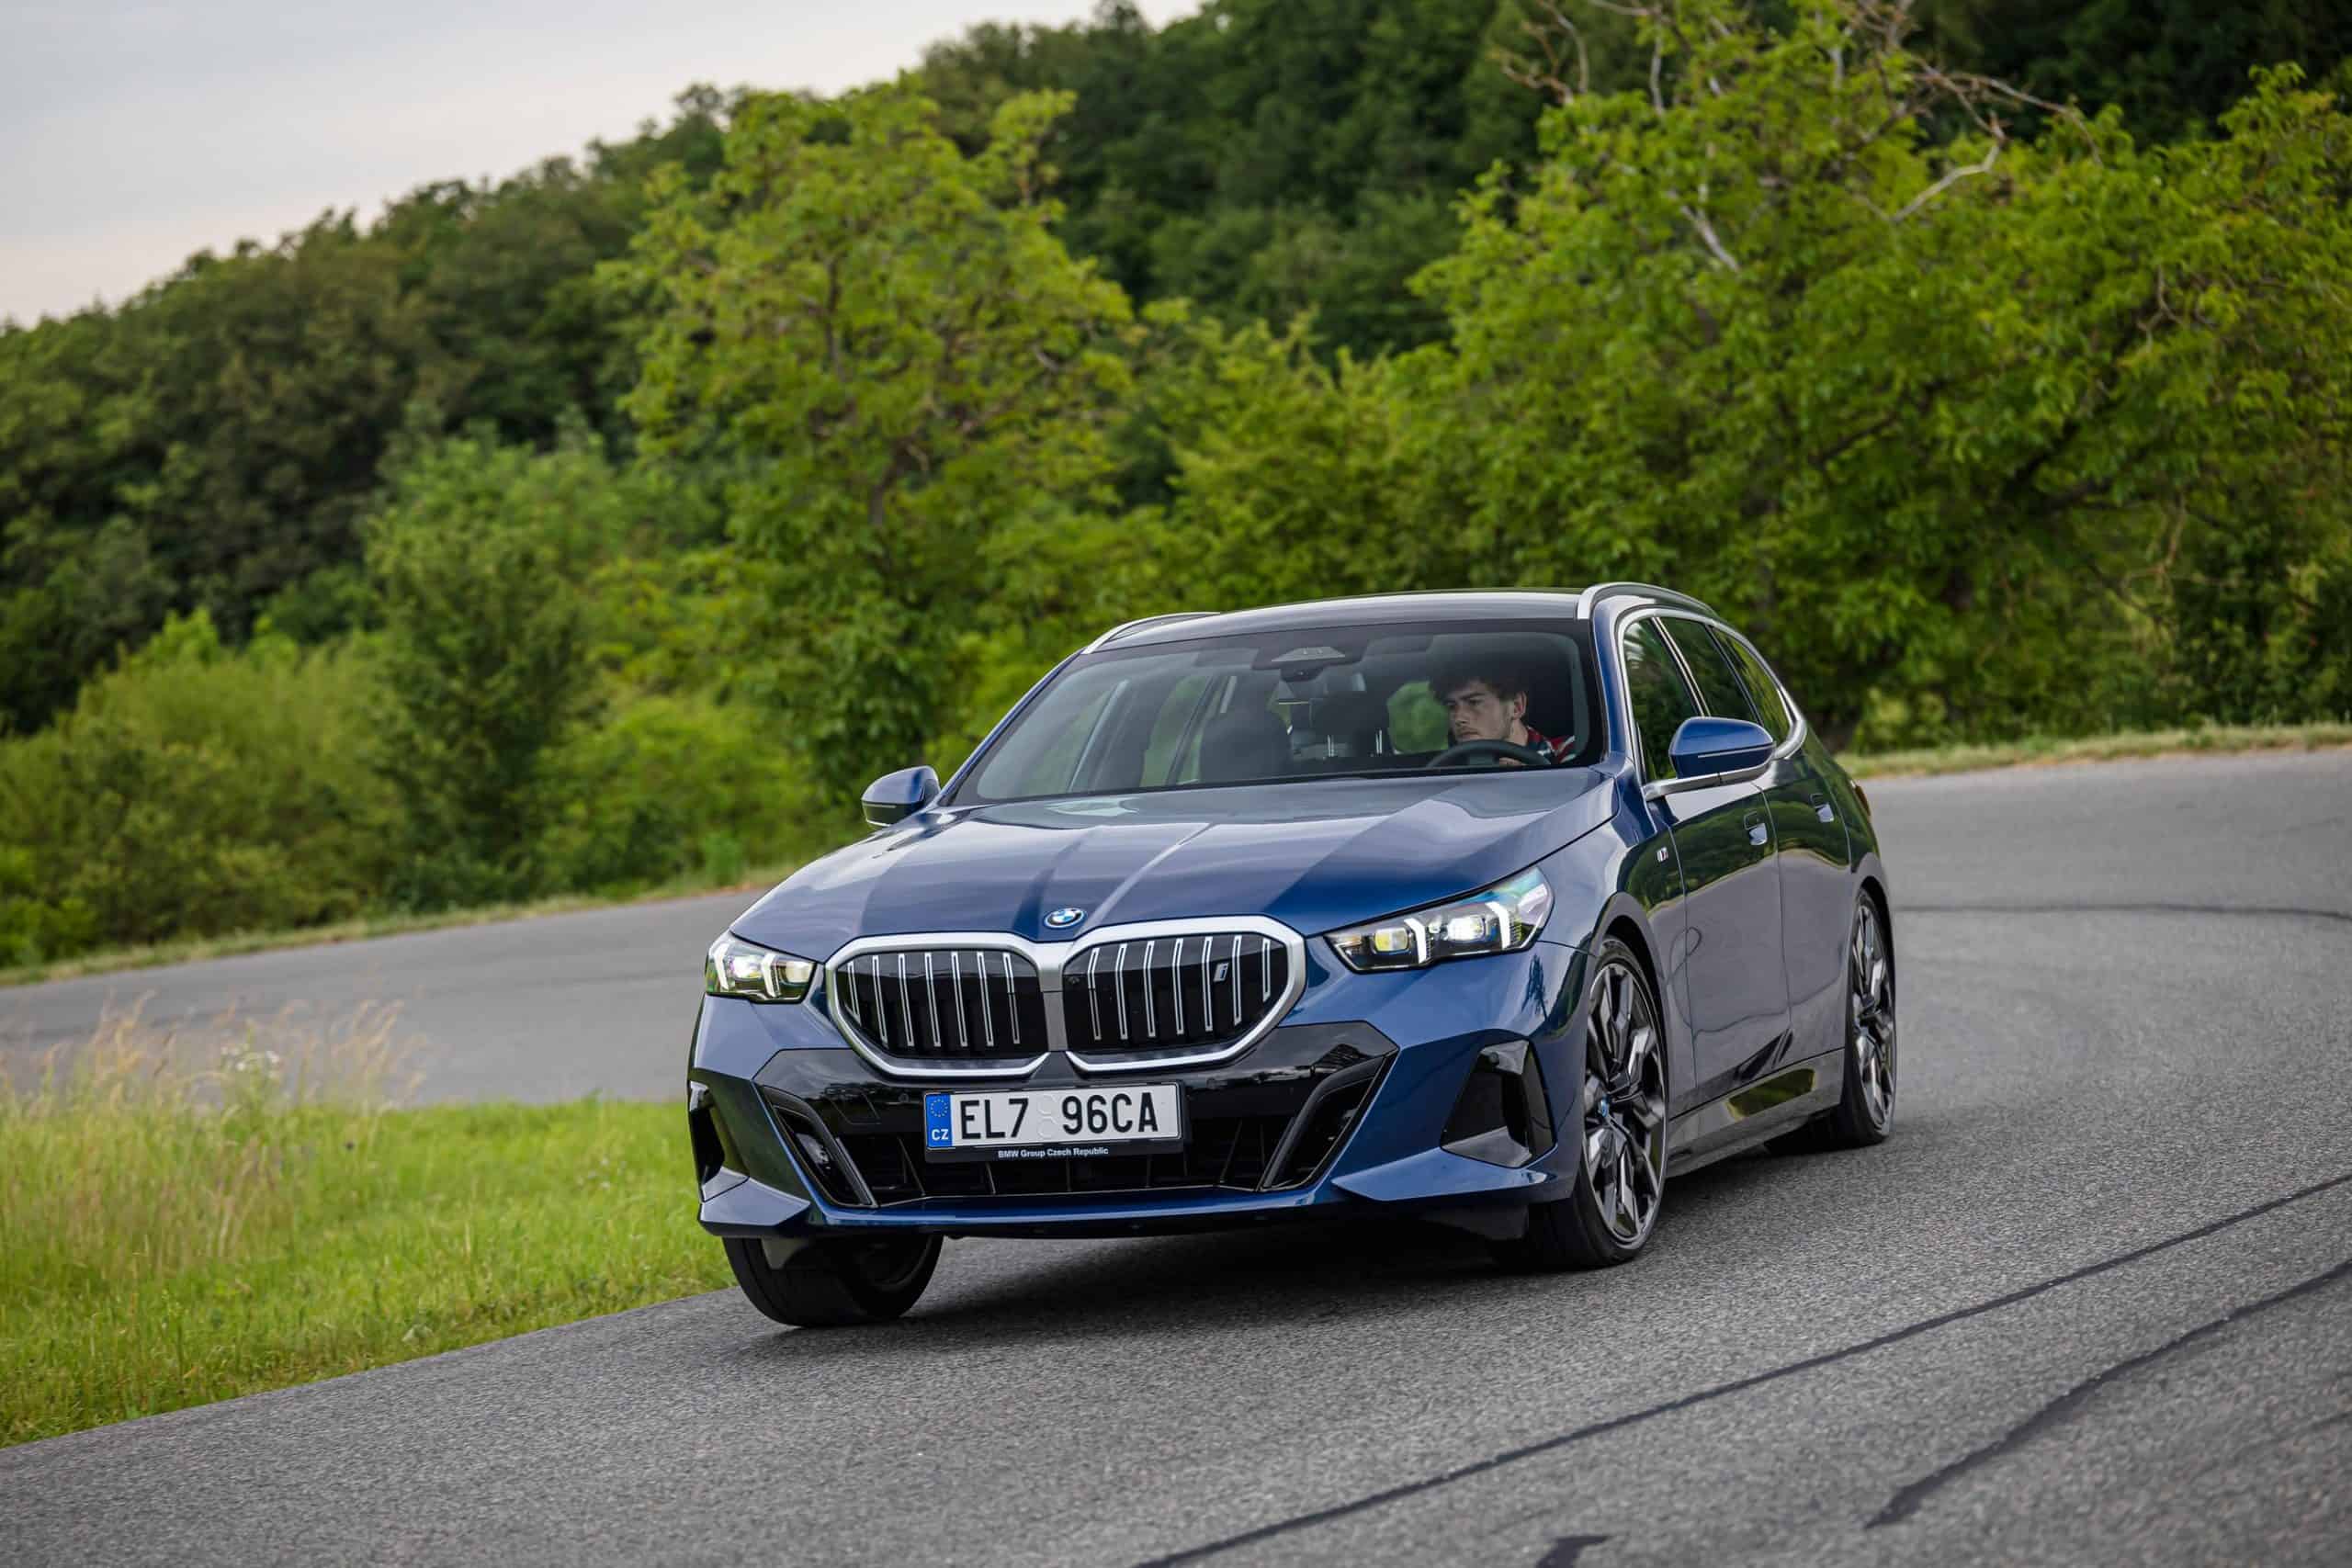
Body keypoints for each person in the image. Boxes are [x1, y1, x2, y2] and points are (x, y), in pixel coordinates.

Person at [1431, 660, 1572, 765]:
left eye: (1474, 702)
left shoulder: (1569, 753)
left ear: (1516, 706)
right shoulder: (1444, 769)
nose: (1458, 718)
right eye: (1451, 707)